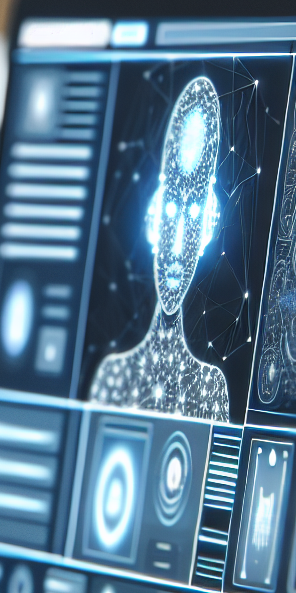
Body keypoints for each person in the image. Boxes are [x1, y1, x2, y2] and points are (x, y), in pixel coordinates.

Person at [88, 75, 229, 421]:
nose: (178, 243)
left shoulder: (210, 392)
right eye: (170, 211)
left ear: (208, 227)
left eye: (192, 216)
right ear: (152, 219)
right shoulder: (113, 379)